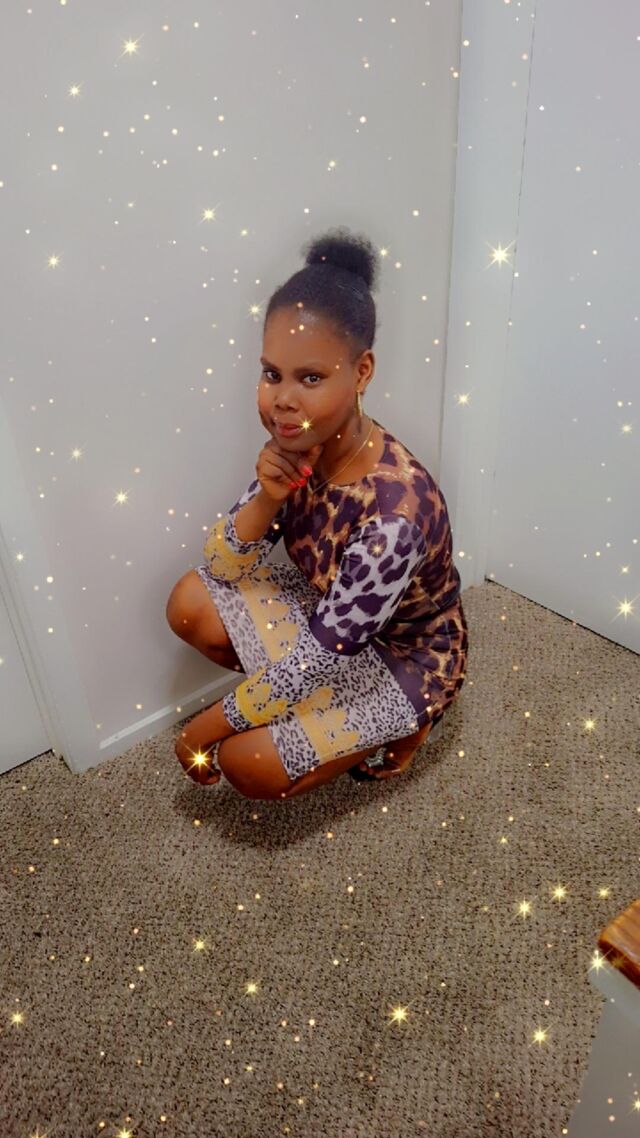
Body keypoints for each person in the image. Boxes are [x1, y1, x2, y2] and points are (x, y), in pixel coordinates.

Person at [167, 226, 469, 799]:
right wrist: (268, 496)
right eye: (271, 373)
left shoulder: (393, 518)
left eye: (311, 377)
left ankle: (412, 720)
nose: (283, 399)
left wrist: (199, 731)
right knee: (191, 601)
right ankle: (306, 714)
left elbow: (316, 659)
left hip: (406, 658)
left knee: (247, 764)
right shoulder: (304, 446)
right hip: (333, 626)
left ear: (362, 372)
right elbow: (221, 566)